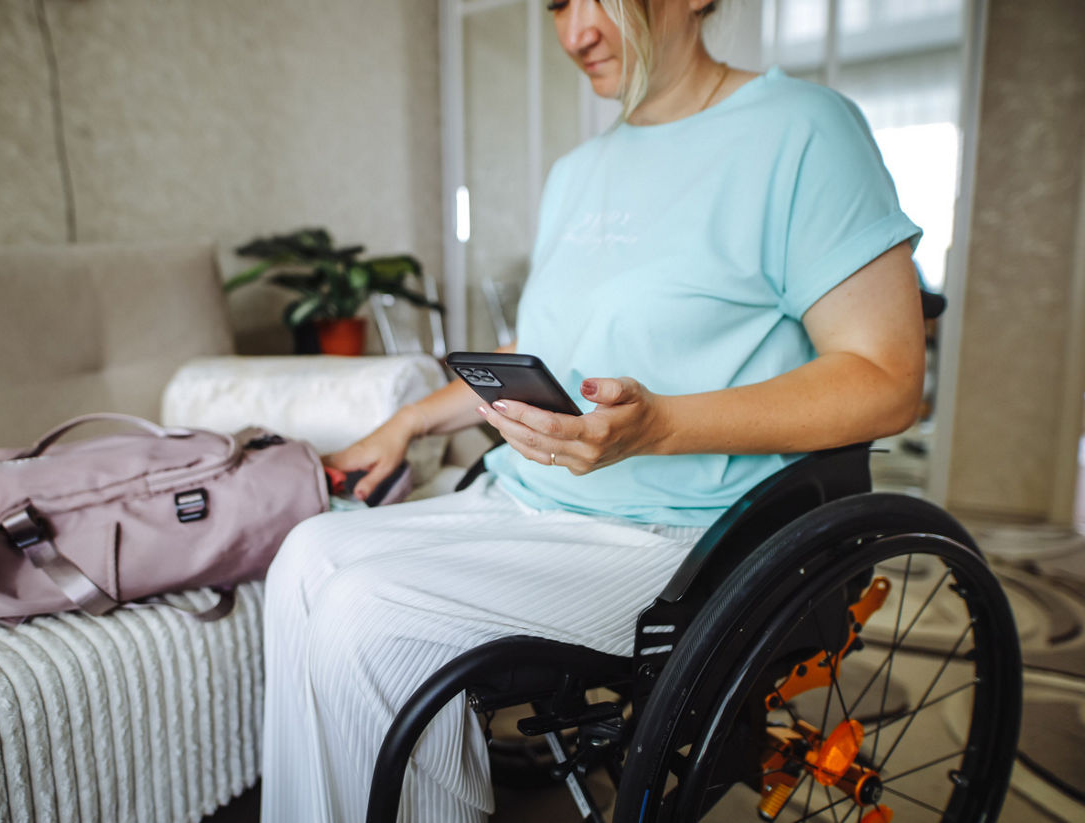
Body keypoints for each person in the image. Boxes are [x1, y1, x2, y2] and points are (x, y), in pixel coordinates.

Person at [260, 0, 925, 820]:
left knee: (369, 615)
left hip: (679, 533)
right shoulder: (577, 173)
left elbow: (888, 378)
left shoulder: (802, 132)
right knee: (304, 556)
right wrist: (411, 421)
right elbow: (556, 370)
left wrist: (662, 425)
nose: (577, 33)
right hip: (530, 496)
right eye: (557, 4)